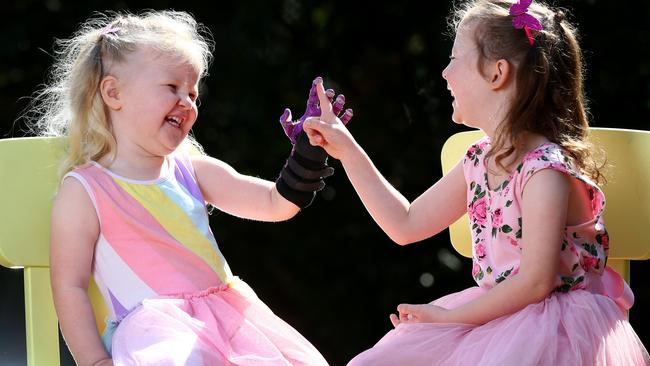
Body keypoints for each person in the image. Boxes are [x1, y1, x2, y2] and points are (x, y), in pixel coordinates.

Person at [302, 0, 649, 364]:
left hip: (557, 332)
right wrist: (348, 149)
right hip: (494, 319)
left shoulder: (545, 171)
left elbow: (535, 283)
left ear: (497, 73)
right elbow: (405, 224)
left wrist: (449, 318)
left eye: (454, 59)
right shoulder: (480, 160)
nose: (444, 74)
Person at [30, 10, 349, 366]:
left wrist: (309, 152)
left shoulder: (190, 169)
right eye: (172, 87)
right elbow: (70, 286)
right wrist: (93, 360)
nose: (187, 102)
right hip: (157, 334)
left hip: (228, 322)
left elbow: (276, 203)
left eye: (193, 93)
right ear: (113, 93)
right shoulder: (86, 190)